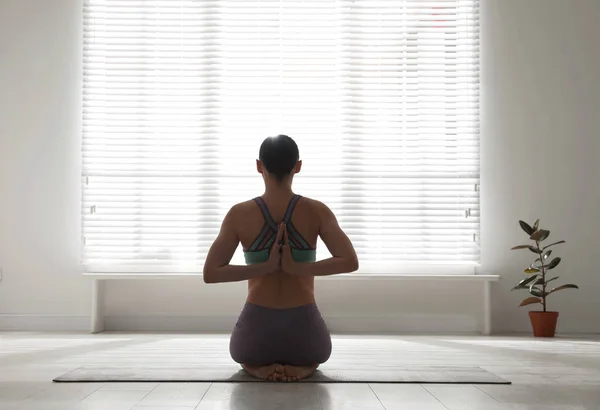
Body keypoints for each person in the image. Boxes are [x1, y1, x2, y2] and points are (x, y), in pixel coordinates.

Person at [203, 134, 359, 382]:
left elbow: (210, 273)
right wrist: (297, 268)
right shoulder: (316, 211)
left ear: (258, 166)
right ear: (298, 166)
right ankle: (305, 367)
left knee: (241, 355)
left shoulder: (239, 214)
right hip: (306, 341)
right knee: (319, 354)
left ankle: (255, 367)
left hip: (254, 343)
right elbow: (350, 260)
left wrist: (262, 267)